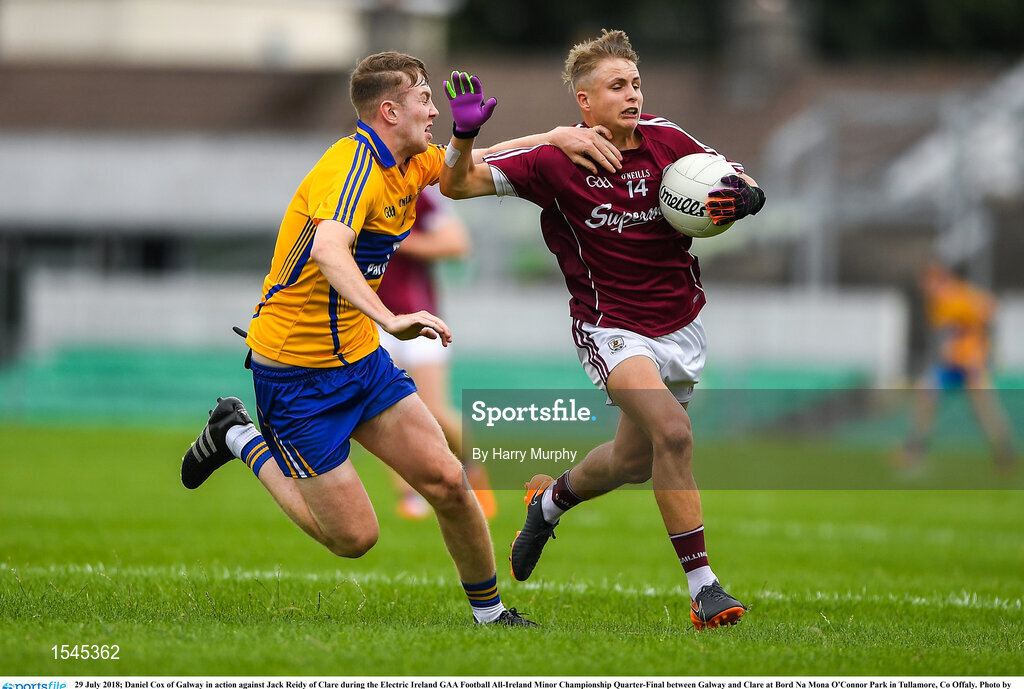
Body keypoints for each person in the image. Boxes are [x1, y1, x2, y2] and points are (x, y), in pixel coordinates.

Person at [178, 50, 621, 627]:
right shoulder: (351, 168)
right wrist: (390, 318)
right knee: (354, 538)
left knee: (448, 482)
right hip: (294, 376)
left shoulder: (409, 163)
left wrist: (554, 136)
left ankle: (490, 617)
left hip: (360, 362)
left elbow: (475, 165)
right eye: (424, 100)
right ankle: (238, 436)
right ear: (389, 110)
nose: (435, 110)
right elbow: (330, 251)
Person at [439, 30, 766, 630]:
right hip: (611, 327)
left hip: (680, 323)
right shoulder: (553, 160)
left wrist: (741, 198)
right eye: (618, 86)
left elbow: (734, 179)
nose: (633, 94)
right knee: (674, 434)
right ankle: (705, 589)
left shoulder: (670, 143)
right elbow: (454, 183)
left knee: (631, 460)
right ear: (585, 102)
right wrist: (464, 139)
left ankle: (550, 501)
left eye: (636, 83)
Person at [375, 185, 497, 520]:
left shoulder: (417, 192)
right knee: (386, 410)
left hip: (420, 317)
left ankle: (474, 471)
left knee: (433, 410)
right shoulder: (351, 190)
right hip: (370, 319)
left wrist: (399, 240)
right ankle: (409, 496)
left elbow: (457, 244)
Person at [901, 259, 1016, 473]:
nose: (925, 289)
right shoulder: (935, 303)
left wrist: (977, 349)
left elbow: (989, 307)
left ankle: (1004, 449)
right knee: (926, 391)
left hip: (972, 362)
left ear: (938, 280)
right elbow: (947, 334)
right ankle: (914, 450)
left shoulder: (960, 295)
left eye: (927, 283)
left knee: (983, 407)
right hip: (953, 363)